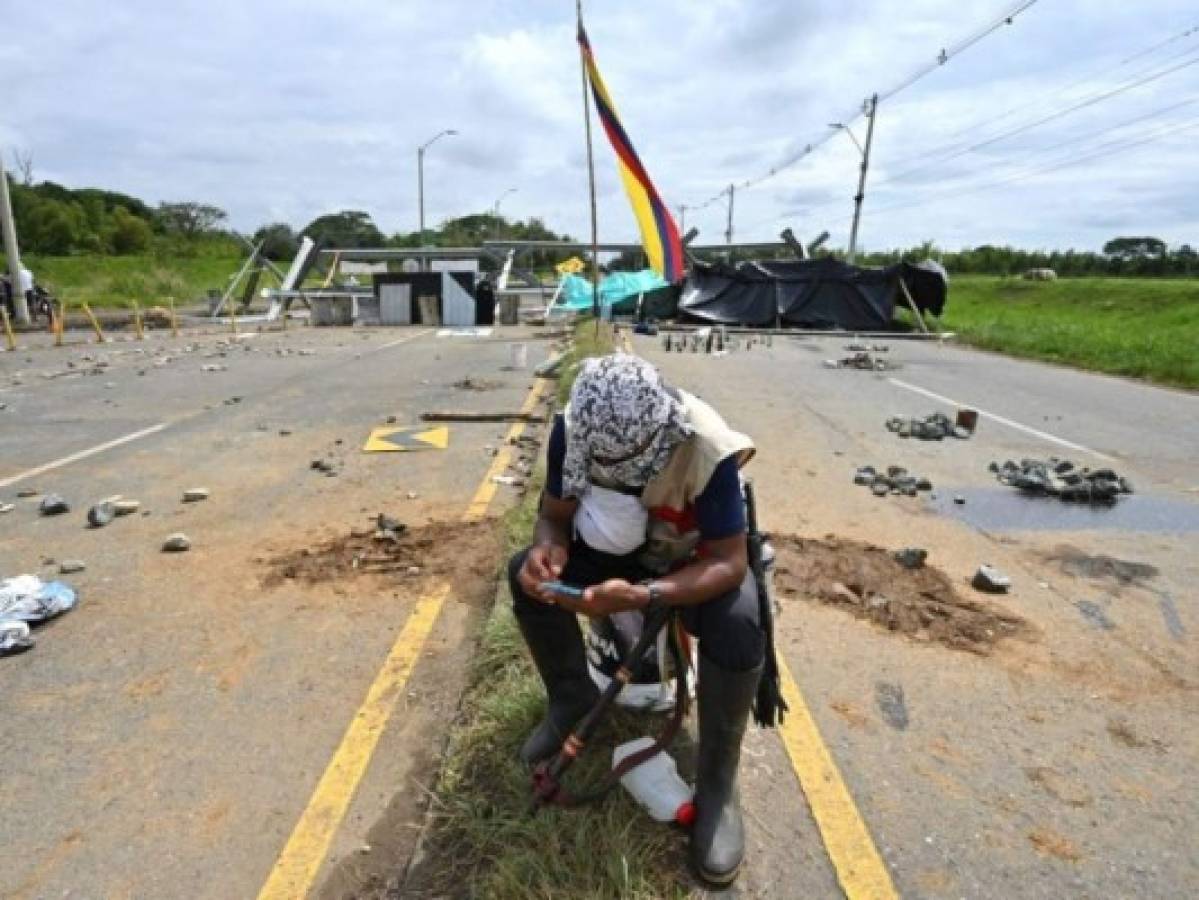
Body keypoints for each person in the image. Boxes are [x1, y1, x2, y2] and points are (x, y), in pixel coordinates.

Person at [508, 353, 764, 886]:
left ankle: (717, 778)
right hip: (611, 551)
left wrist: (645, 596)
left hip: (684, 559)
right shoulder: (574, 429)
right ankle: (570, 700)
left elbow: (728, 561)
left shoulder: (704, 446)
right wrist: (546, 554)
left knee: (741, 621)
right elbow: (554, 518)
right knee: (522, 577)